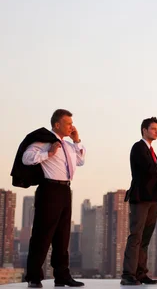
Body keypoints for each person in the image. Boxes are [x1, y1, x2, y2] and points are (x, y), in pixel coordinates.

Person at [21, 109, 86, 288]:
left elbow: (80, 161)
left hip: (65, 190)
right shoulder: (44, 140)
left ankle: (62, 276)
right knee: (42, 235)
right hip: (49, 189)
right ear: (57, 124)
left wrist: (76, 140)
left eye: (72, 123)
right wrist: (48, 154)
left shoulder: (68, 145)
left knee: (62, 236)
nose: (71, 126)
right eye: (68, 123)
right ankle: (34, 277)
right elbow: (26, 158)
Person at [122, 117, 157, 285]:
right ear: (144, 130)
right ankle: (128, 275)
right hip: (141, 199)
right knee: (136, 236)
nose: (156, 131)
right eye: (153, 129)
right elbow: (150, 169)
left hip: (152, 200)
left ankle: (140, 273)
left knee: (145, 239)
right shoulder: (138, 148)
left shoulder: (150, 150)